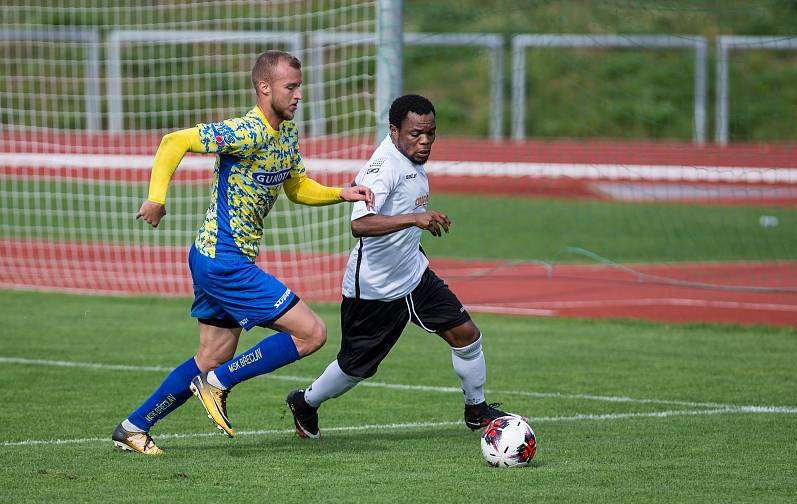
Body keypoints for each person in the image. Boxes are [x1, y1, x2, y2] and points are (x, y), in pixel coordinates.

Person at [112, 50, 374, 455]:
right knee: (312, 334)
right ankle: (217, 385)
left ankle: (133, 427)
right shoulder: (244, 132)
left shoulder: (287, 134)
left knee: (213, 354)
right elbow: (173, 142)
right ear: (264, 88)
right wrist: (156, 198)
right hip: (223, 260)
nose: (299, 94)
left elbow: (296, 187)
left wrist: (340, 192)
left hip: (217, 259)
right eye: (291, 86)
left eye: (300, 86)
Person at [285, 94, 521, 439]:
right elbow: (360, 225)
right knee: (355, 369)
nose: (424, 142)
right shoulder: (384, 168)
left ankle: (476, 409)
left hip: (414, 276)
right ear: (393, 130)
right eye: (415, 134)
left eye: (431, 134)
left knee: (467, 336)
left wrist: (414, 232)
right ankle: (305, 402)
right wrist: (416, 218)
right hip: (375, 289)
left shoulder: (408, 157)